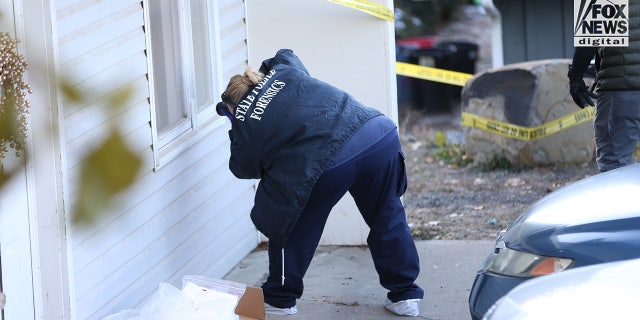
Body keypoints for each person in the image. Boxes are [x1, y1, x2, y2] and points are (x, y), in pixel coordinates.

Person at [216, 49, 424, 316]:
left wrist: (237, 125)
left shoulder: (244, 119)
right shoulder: (285, 73)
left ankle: (280, 298)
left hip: (329, 161)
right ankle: (405, 296)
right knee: (387, 214)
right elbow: (285, 53)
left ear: (233, 106)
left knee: (283, 215)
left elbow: (242, 168)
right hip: (377, 135)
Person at [568, 2, 640, 172]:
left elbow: (592, 33)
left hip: (621, 91)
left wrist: (575, 77)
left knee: (614, 169)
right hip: (621, 88)